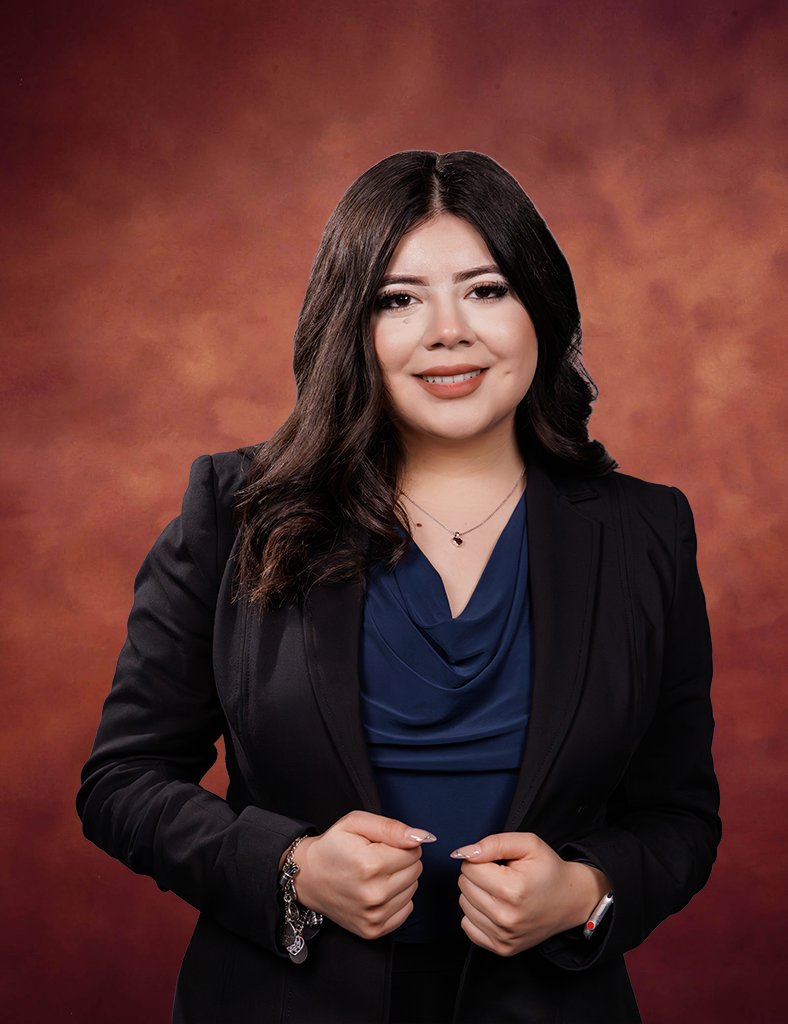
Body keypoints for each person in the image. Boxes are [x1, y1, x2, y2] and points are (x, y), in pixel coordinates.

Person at [77, 150, 720, 1024]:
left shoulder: (647, 531)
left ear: (541, 308)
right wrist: (288, 868)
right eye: (398, 298)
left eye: (486, 290)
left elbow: (678, 815)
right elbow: (123, 780)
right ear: (352, 324)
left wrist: (587, 893)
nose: (448, 330)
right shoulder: (234, 510)